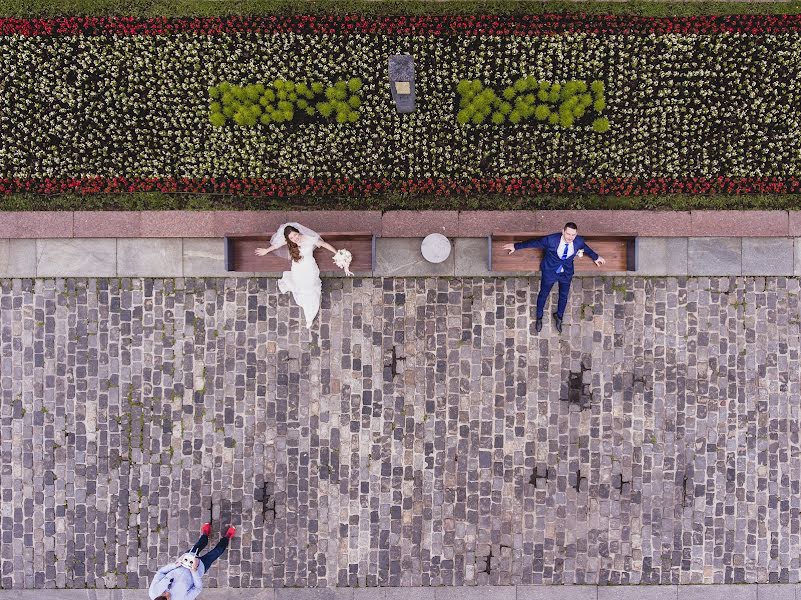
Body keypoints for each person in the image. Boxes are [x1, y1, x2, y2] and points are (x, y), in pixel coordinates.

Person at [503, 222, 606, 334]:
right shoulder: (551, 240)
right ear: (563, 231)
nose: (570, 237)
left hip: (566, 273)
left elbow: (585, 247)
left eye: (573, 235)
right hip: (550, 271)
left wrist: (596, 257)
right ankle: (539, 317)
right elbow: (534, 243)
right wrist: (515, 246)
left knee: (564, 295)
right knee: (543, 294)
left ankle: (559, 316)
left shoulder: (578, 241)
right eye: (568, 234)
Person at [255, 222, 348, 329]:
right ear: (288, 239)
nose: (295, 238)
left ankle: (310, 315)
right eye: (291, 237)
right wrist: (266, 250)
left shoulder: (308, 238)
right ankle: (307, 308)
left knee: (310, 288)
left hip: (310, 268)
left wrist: (337, 254)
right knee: (302, 289)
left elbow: (324, 244)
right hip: (297, 269)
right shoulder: (289, 242)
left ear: (298, 232)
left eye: (295, 234)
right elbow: (276, 245)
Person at [148, 523, 236, 600]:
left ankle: (205, 534)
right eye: (168, 597)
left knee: (199, 544)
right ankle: (227, 537)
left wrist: (175, 565)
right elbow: (198, 588)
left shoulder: (153, 592)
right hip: (199, 568)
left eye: (163, 593)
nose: (167, 593)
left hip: (185, 560)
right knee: (217, 552)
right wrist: (194, 571)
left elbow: (160, 572)